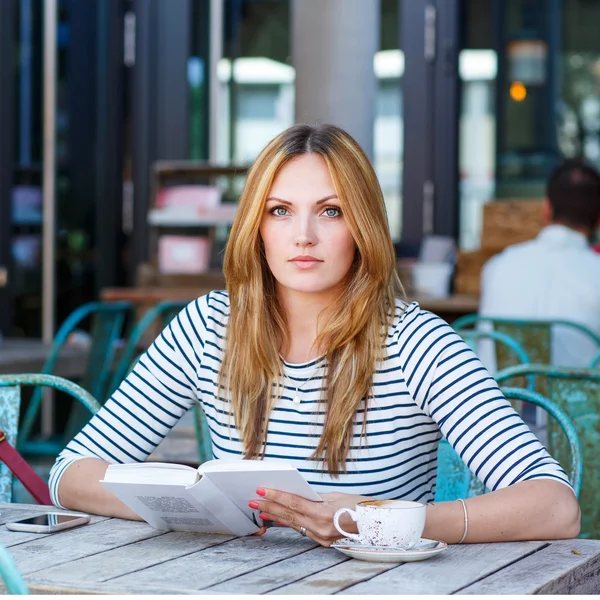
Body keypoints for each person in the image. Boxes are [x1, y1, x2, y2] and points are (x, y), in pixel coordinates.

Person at [49, 124, 580, 548]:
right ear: (256, 227)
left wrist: (376, 522)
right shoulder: (208, 326)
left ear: (363, 227)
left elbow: (555, 506)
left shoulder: (417, 343)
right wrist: (200, 507)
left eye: (331, 211)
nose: (304, 235)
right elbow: (69, 473)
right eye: (280, 211)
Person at [480, 158, 600, 368]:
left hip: (493, 397)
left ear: (546, 209)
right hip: (573, 401)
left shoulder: (497, 267)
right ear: (598, 219)